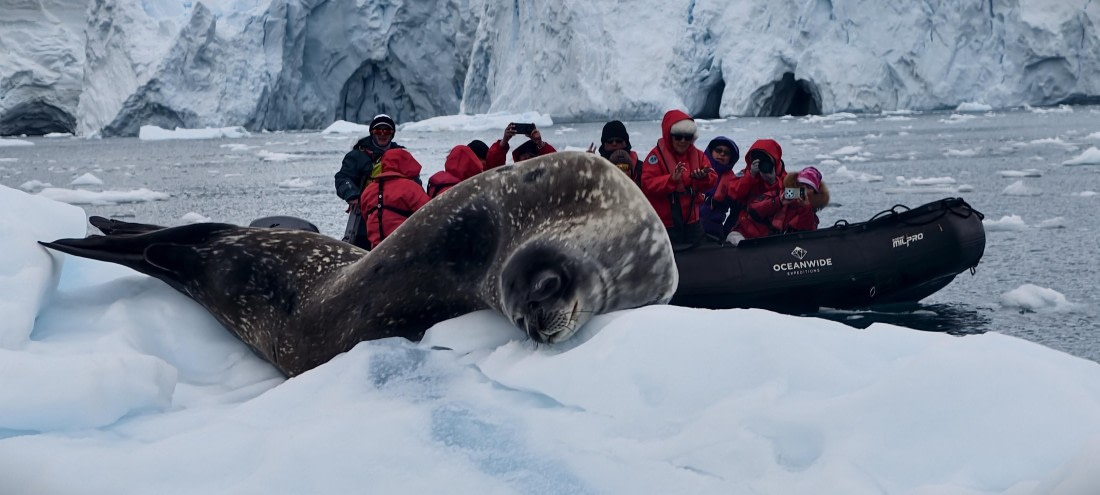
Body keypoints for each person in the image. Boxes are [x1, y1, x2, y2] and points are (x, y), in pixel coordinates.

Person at [639, 110, 718, 248]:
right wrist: (671, 180)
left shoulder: (699, 156)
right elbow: (647, 184)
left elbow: (712, 178)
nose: (683, 141)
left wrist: (703, 178)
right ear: (669, 136)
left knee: (697, 260)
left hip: (693, 222)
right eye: (678, 137)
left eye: (687, 137)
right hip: (666, 225)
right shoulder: (655, 158)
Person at [334, 114, 405, 249]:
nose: (382, 134)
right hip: (364, 220)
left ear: (393, 134)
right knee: (363, 251)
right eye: (378, 130)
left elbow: (413, 182)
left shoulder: (401, 155)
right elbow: (343, 178)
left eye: (387, 131)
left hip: (394, 217)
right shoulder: (357, 156)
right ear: (372, 132)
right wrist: (353, 195)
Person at [359, 149, 430, 249]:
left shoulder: (368, 191)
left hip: (376, 250)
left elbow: (366, 216)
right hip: (405, 248)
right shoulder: (411, 188)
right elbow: (429, 213)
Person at [698, 136, 740, 240]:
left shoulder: (732, 182)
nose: (722, 154)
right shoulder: (697, 170)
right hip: (689, 228)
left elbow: (736, 211)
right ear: (711, 151)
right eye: (718, 150)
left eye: (727, 153)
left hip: (713, 231)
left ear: (731, 158)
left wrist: (725, 231)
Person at [769, 166, 829, 234]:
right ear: (795, 185)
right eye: (801, 184)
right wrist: (778, 202)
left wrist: (806, 208)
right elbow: (757, 210)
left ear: (814, 193)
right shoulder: (779, 194)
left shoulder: (812, 216)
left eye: (808, 187)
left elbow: (807, 234)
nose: (803, 189)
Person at [485, 123, 556, 169]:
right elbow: (493, 168)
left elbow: (554, 162)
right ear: (518, 159)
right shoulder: (513, 176)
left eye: (531, 155)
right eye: (525, 156)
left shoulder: (543, 173)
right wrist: (504, 141)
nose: (528, 157)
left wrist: (540, 143)